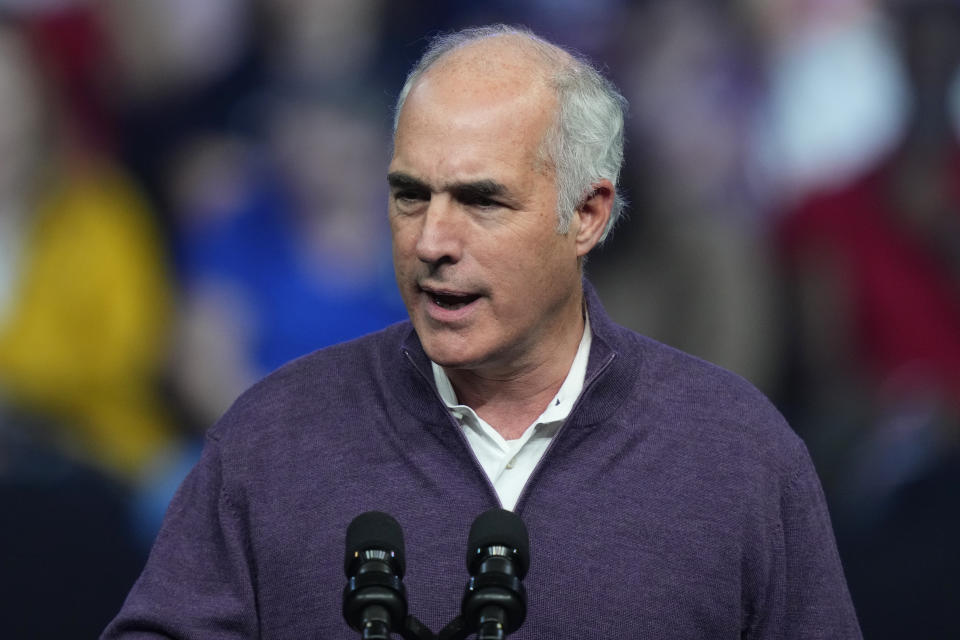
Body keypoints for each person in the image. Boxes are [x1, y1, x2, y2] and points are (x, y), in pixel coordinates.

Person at [103, 25, 861, 638]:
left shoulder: (734, 451)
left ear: (587, 215)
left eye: (481, 200)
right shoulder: (273, 434)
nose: (432, 239)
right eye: (409, 195)